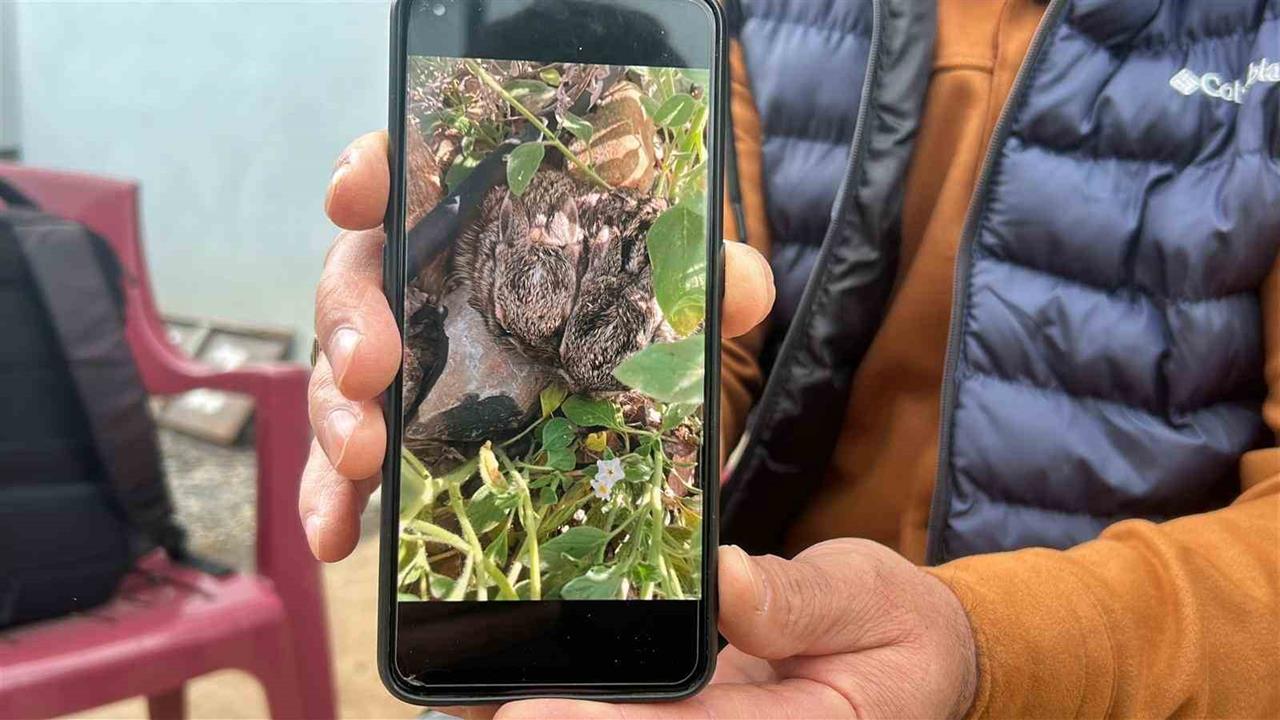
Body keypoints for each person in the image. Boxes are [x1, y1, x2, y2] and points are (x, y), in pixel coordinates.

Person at [301, 0, 1279, 716]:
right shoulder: (744, 18)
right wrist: (463, 320)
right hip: (732, 659)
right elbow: (718, 343)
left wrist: (988, 648)